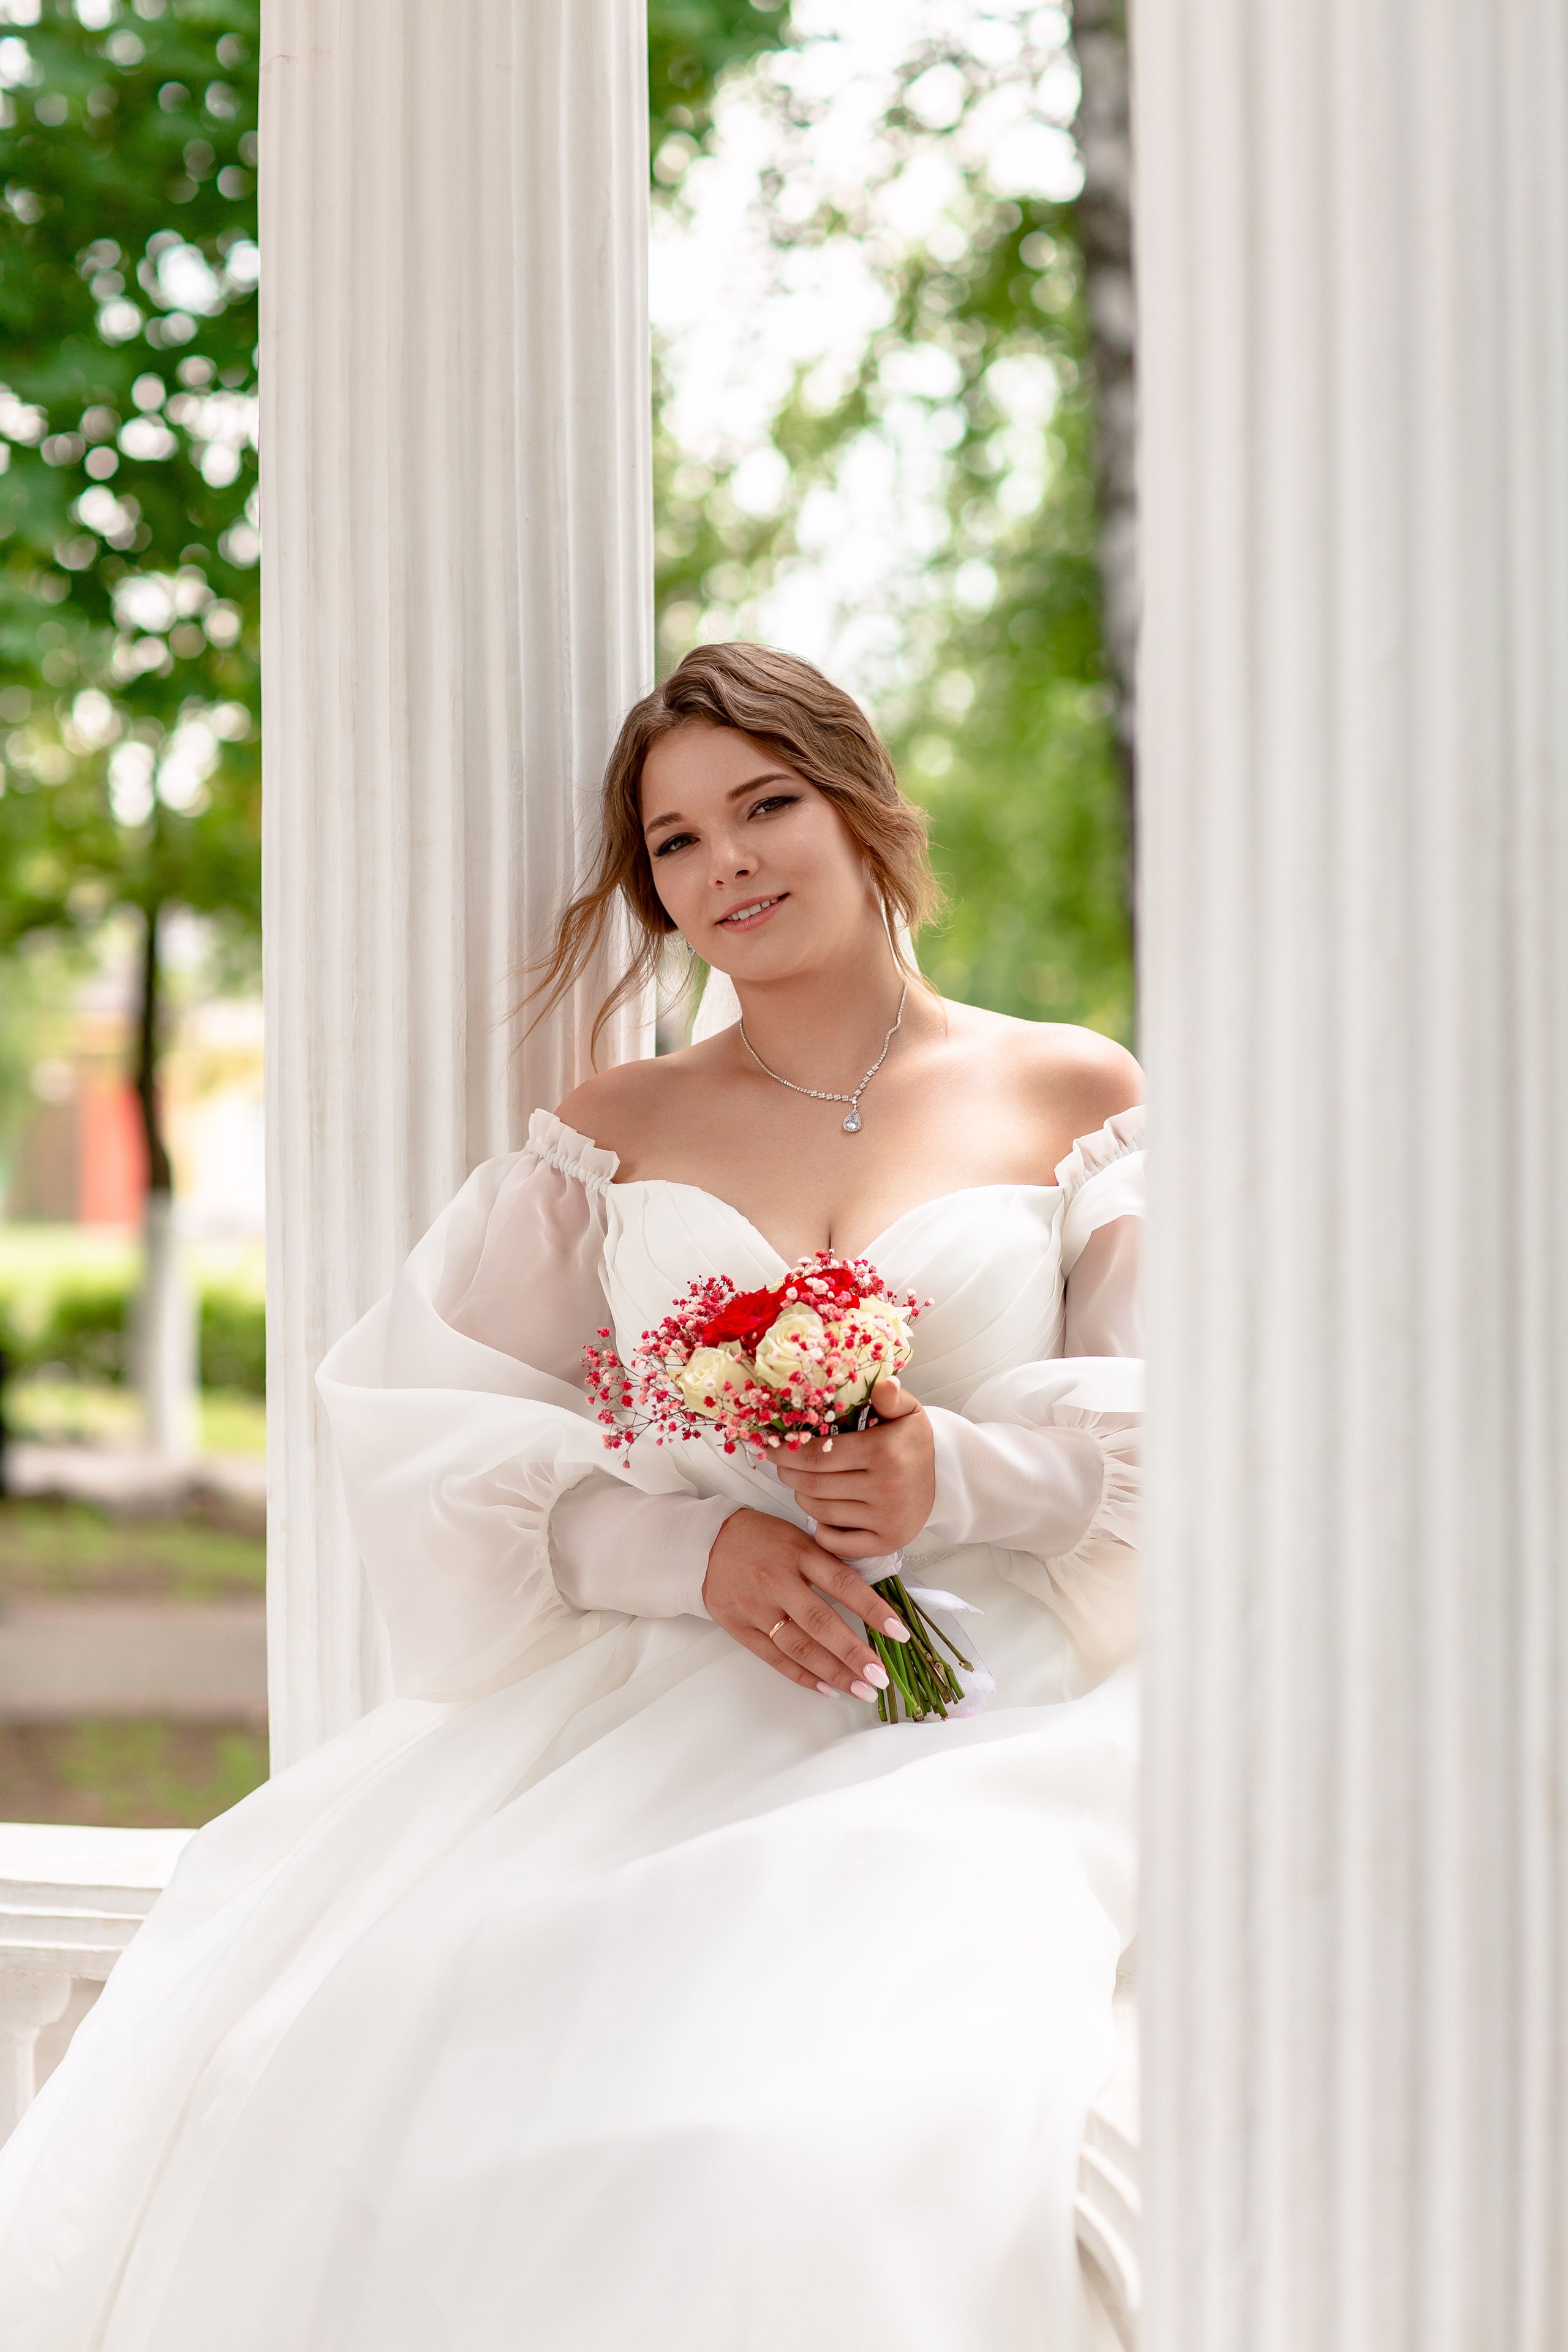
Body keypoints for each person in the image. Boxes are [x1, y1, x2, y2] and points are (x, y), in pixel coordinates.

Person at [0, 643, 1144, 2351]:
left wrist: (952, 1470)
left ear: (867, 810)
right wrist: (700, 1551)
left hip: (984, 1697)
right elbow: (424, 1427)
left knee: (809, 2113)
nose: (727, 864)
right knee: (363, 2065)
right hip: (674, 1699)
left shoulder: (1072, 1094)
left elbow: (1196, 1432)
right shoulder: (613, 1129)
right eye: (675, 842)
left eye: (767, 805)